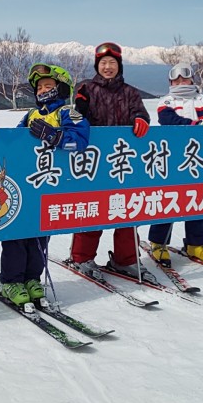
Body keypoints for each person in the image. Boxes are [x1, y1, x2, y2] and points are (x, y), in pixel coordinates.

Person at [0, 63, 90, 306]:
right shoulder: (30, 115)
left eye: (48, 85)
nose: (42, 90)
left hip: (49, 184)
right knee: (16, 232)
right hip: (25, 181)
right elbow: (15, 141)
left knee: (39, 234)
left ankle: (32, 278)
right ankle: (11, 280)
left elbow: (80, 141)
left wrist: (57, 136)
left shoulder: (66, 113)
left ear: (60, 88)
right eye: (39, 86)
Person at [68, 41, 151, 277]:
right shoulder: (86, 88)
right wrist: (79, 109)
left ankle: (125, 258)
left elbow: (140, 112)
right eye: (103, 63)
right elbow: (76, 116)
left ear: (119, 66)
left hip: (123, 161)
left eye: (112, 63)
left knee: (126, 208)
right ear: (97, 65)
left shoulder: (130, 92)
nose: (107, 67)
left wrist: (141, 119)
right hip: (93, 162)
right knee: (93, 208)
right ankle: (82, 257)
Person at [147, 62, 203, 268]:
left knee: (198, 197)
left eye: (184, 78)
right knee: (168, 198)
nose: (180, 82)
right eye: (176, 79)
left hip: (199, 158)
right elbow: (167, 119)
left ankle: (196, 243)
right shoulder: (167, 100)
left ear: (192, 79)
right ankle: (159, 242)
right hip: (172, 157)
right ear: (170, 81)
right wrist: (195, 124)